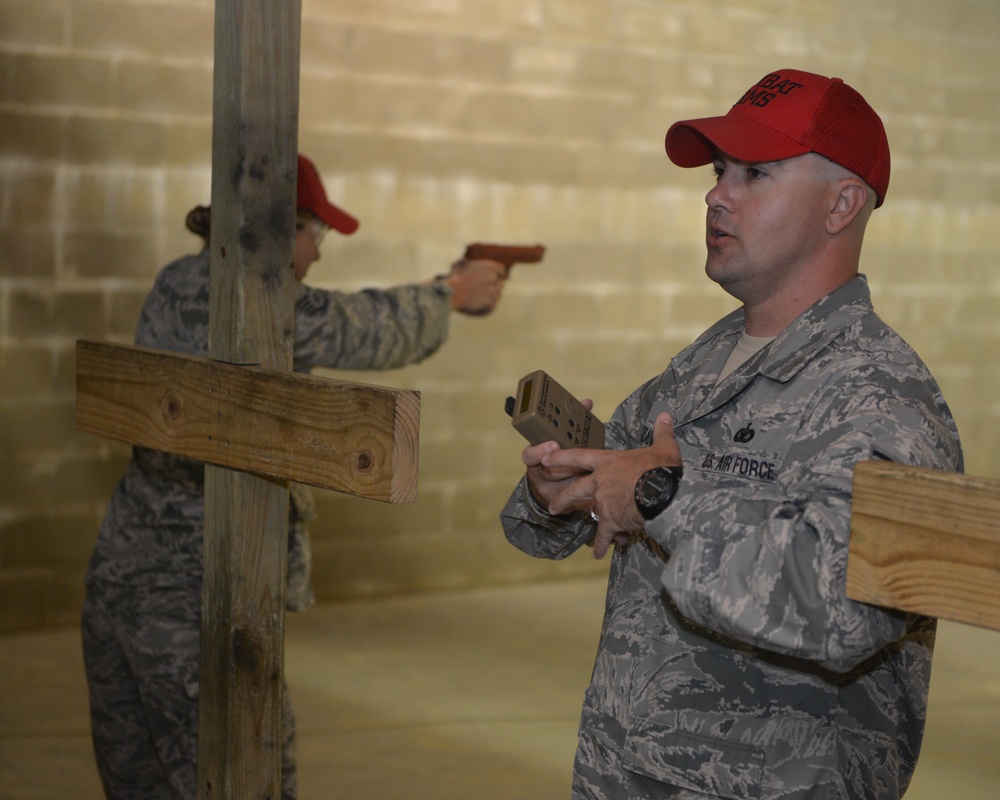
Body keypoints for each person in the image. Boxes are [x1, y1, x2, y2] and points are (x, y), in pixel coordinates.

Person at [500, 68, 963, 800]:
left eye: (755, 173)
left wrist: (661, 494)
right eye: (720, 173)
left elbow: (851, 613)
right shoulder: (701, 365)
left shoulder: (884, 396)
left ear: (841, 204)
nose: (718, 195)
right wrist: (556, 492)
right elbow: (563, 519)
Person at [82, 153, 509, 800]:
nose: (317, 254)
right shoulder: (251, 300)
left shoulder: (177, 280)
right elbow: (361, 331)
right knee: (243, 776)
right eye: (315, 234)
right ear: (283, 229)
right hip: (201, 592)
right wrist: (450, 292)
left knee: (141, 779)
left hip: (126, 572)